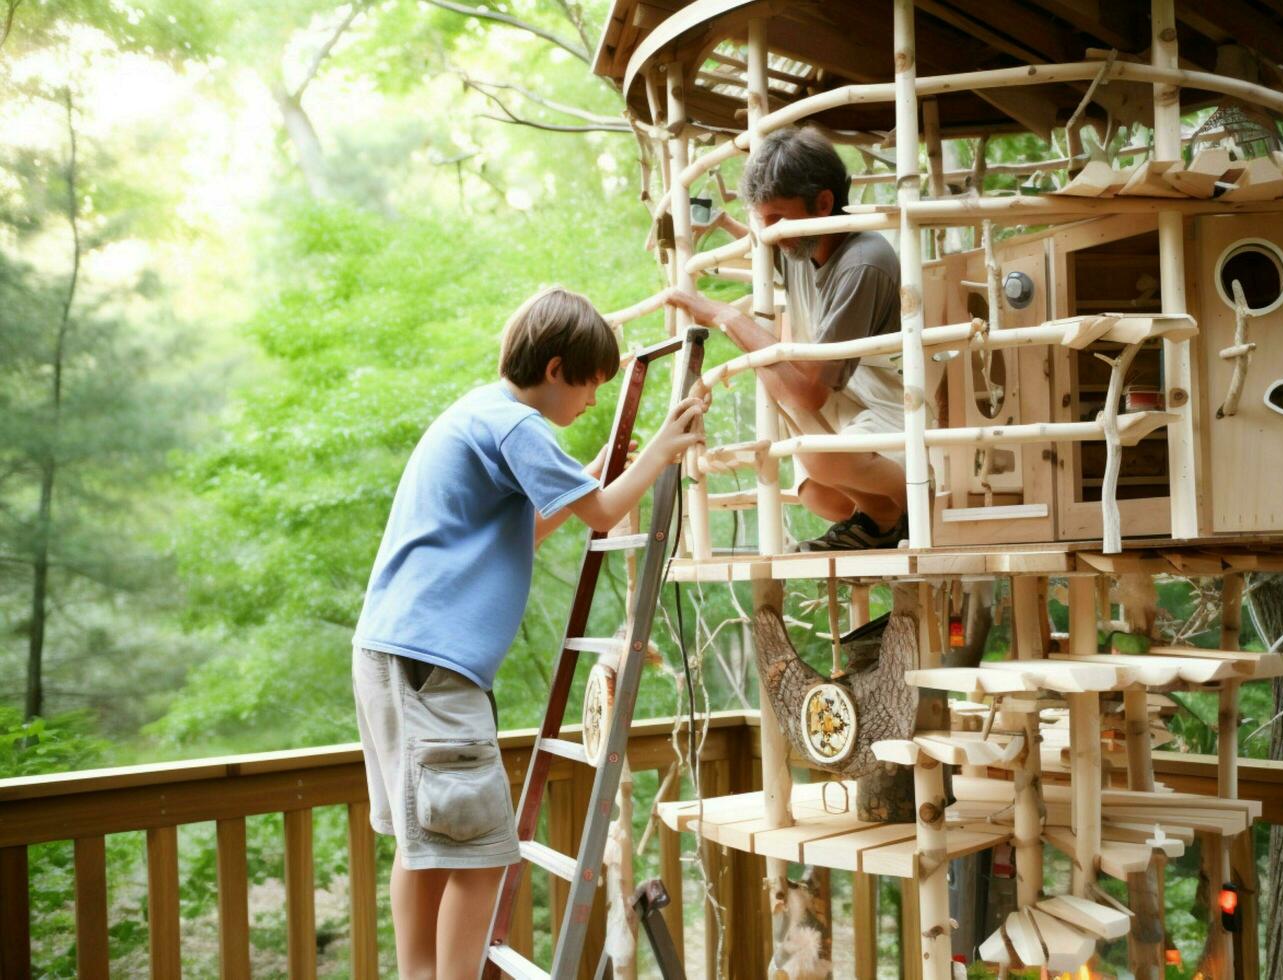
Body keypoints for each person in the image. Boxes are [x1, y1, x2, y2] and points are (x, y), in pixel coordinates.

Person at [351, 286, 705, 980]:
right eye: (591, 385)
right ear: (554, 370)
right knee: (481, 852)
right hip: (432, 664)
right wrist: (661, 449)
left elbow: (539, 523)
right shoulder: (520, 428)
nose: (593, 402)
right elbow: (601, 515)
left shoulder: (478, 413)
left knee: (426, 844)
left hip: (392, 655)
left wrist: (603, 466)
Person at [666, 126, 914, 552]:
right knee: (815, 492)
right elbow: (768, 248)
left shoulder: (862, 262)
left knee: (814, 449)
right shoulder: (802, 242)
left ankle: (908, 508)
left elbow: (808, 394)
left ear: (823, 204)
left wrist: (727, 317)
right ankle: (881, 520)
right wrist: (726, 223)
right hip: (855, 406)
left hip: (895, 412)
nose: (768, 233)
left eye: (776, 218)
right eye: (762, 220)